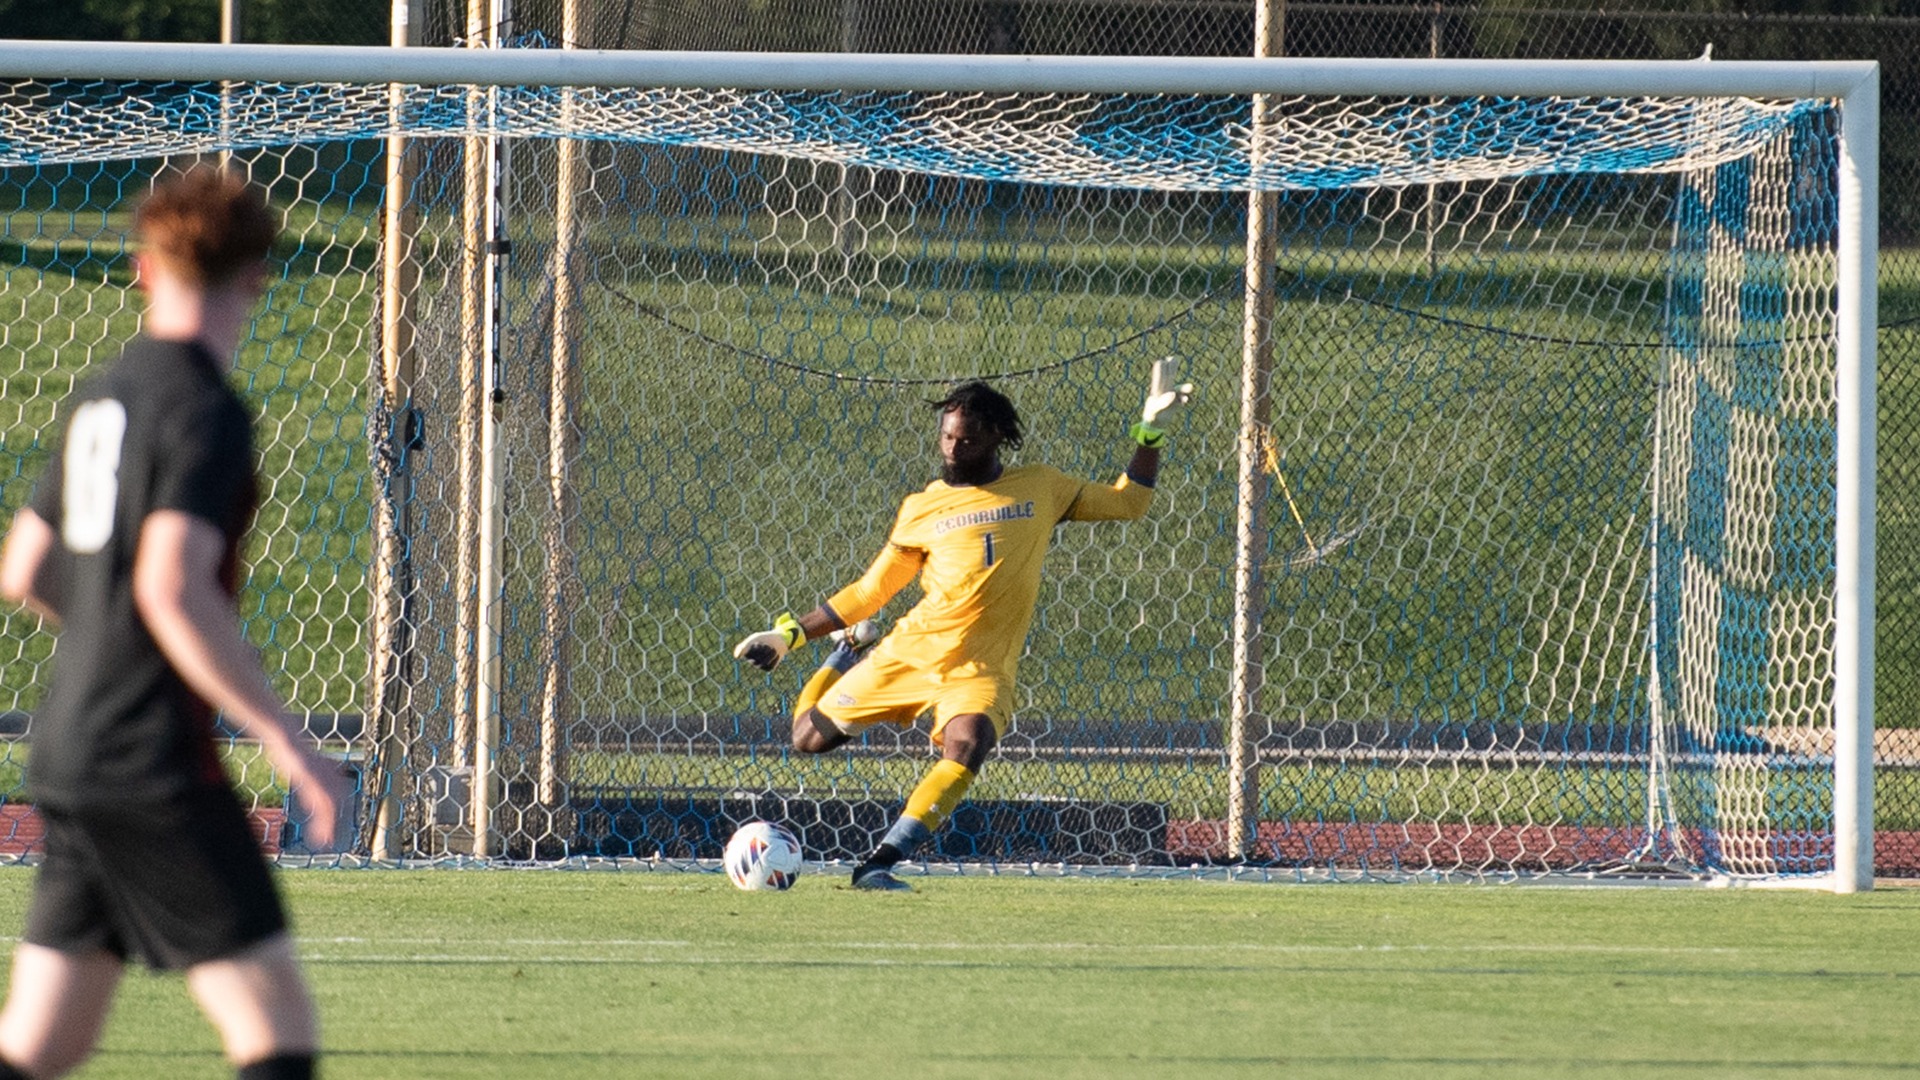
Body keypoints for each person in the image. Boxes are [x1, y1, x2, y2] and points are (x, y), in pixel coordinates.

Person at [0, 166, 347, 1080]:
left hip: (71, 750)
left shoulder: (100, 396)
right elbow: (170, 587)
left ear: (144, 272)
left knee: (40, 1047)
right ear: (256, 276)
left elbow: (24, 569)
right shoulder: (206, 410)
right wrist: (290, 743)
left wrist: (109, 634)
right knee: (278, 1036)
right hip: (151, 763)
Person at [733, 364, 1193, 890]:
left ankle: (878, 864)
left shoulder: (1041, 487)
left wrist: (1150, 432)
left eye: (966, 439)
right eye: (947, 437)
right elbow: (870, 592)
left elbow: (1129, 503)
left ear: (997, 438)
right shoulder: (921, 509)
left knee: (968, 745)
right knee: (806, 739)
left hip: (979, 666)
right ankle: (843, 656)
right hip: (911, 651)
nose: (952, 449)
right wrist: (789, 635)